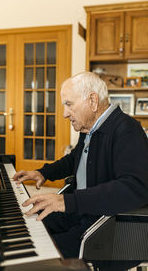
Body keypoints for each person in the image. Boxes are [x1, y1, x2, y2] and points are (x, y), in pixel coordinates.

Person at [13, 71, 148, 258]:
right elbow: (76, 158)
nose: (64, 114)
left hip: (106, 225)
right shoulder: (90, 127)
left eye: (69, 104)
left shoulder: (127, 131)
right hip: (81, 210)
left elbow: (134, 188)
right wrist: (44, 173)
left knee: (38, 255)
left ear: (93, 101)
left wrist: (66, 201)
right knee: (26, 227)